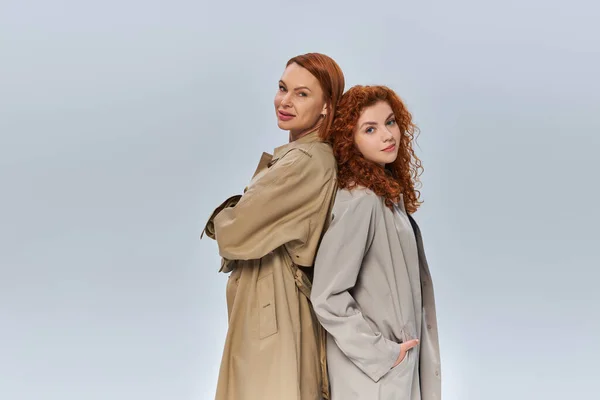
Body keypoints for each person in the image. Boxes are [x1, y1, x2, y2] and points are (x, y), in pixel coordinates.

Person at [202, 53, 345, 400]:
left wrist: (226, 216)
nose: (285, 101)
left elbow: (233, 232)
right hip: (272, 296)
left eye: (302, 94)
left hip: (276, 300)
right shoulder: (305, 157)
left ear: (326, 106)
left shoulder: (305, 161)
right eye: (283, 88)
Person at [311, 85, 442, 400]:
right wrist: (383, 354)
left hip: (393, 373)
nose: (388, 135)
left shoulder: (385, 197)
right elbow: (327, 296)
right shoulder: (360, 200)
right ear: (349, 140)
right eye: (370, 129)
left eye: (391, 122)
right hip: (373, 379)